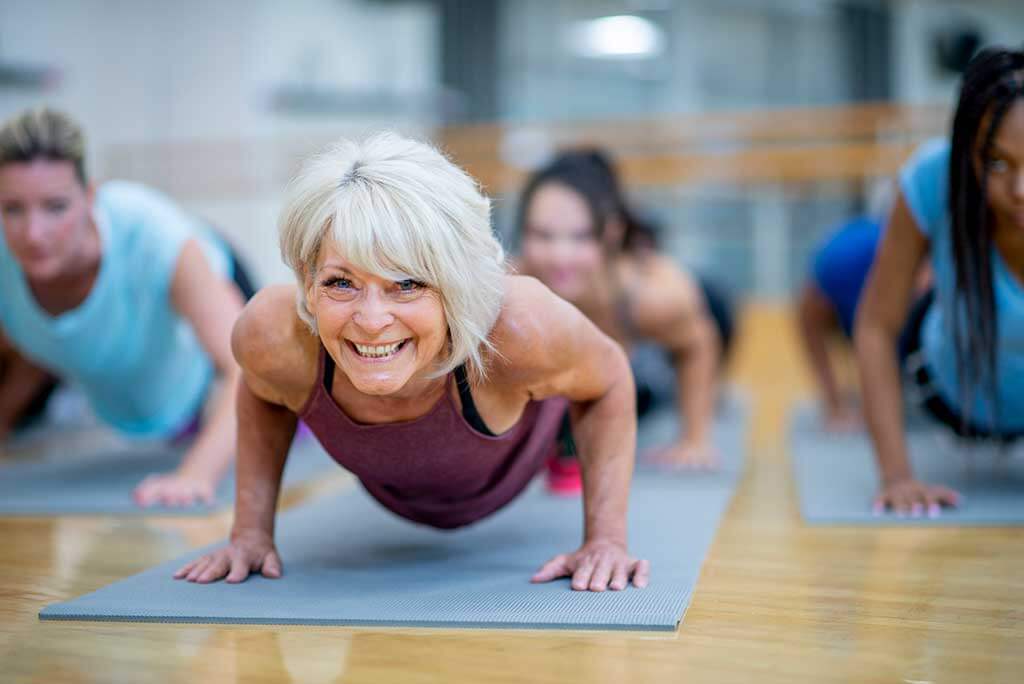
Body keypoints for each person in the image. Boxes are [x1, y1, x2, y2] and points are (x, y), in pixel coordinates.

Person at [173, 133, 649, 591]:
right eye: (341, 283)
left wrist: (606, 540)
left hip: (520, 437)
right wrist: (250, 534)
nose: (372, 320)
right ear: (307, 278)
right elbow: (260, 390)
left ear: (454, 284)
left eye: (407, 284)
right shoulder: (272, 333)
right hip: (402, 484)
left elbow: (608, 381)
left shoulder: (521, 326)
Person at [0, 108, 254, 507]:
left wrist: (195, 476)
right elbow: (50, 341)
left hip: (215, 284)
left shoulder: (155, 237)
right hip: (131, 360)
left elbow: (246, 367)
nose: (34, 234)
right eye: (13, 209)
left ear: (89, 197)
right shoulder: (10, 263)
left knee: (274, 383)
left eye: (55, 207)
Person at [856, 46, 1024, 517]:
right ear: (968, 152)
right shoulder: (934, 176)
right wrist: (897, 476)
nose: (1020, 192)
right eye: (996, 164)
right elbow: (874, 327)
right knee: (922, 302)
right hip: (951, 395)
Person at [516, 149, 733, 469]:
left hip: (676, 338)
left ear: (610, 234)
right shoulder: (515, 280)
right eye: (543, 236)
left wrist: (694, 439)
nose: (560, 256)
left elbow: (699, 344)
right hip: (591, 363)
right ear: (523, 232)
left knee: (706, 302)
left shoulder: (652, 298)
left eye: (581, 237)